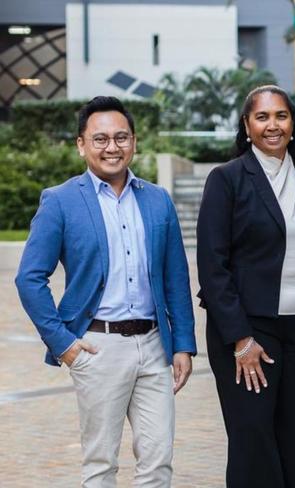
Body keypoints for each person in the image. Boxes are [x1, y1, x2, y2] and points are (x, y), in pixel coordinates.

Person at [15, 96, 196, 487]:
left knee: (158, 461)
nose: (111, 147)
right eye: (100, 139)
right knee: (100, 465)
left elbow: (175, 278)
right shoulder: (61, 201)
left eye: (121, 137)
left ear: (134, 142)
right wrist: (64, 344)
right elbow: (29, 278)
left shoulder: (157, 200)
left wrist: (182, 343)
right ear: (81, 144)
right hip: (98, 347)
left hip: (152, 345)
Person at [196, 85, 295, 488]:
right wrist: (241, 340)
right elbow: (213, 268)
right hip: (249, 334)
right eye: (262, 117)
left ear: (293, 124)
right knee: (253, 442)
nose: (272, 125)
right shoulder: (227, 180)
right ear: (246, 126)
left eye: (281, 116)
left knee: (294, 440)